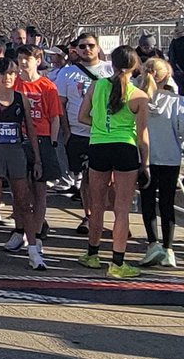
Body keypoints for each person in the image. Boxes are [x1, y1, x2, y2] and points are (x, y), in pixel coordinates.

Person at [78, 45, 150, 279]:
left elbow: (82, 116)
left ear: (112, 63)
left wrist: (101, 125)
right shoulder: (139, 96)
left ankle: (92, 254)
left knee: (97, 204)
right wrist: (145, 164)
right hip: (125, 148)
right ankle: (117, 263)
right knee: (121, 209)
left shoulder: (96, 85)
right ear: (135, 66)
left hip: (99, 146)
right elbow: (142, 136)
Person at [0, 58, 42, 269]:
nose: (8, 78)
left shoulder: (21, 99)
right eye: (3, 74)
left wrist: (37, 159)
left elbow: (30, 131)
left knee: (24, 202)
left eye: (12, 74)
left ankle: (33, 250)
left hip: (16, 152)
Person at [55, 33, 113, 233]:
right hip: (79, 132)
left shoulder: (109, 69)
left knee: (108, 179)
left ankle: (110, 217)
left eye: (91, 45)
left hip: (106, 133)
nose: (87, 49)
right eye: (82, 46)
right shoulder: (67, 73)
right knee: (86, 178)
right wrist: (66, 131)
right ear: (76, 50)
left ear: (98, 47)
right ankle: (89, 217)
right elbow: (61, 104)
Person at [14, 44, 64, 258]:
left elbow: (55, 117)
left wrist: (52, 142)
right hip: (18, 139)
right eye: (20, 58)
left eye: (28, 58)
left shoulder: (47, 86)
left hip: (42, 138)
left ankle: (36, 234)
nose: (24, 62)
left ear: (38, 60)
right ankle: (19, 230)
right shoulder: (14, 83)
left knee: (39, 190)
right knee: (19, 189)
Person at [138, 57, 182, 268]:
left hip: (144, 157)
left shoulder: (138, 99)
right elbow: (181, 131)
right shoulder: (177, 102)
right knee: (167, 202)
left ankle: (152, 243)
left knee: (147, 201)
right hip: (170, 157)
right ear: (167, 76)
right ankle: (169, 248)